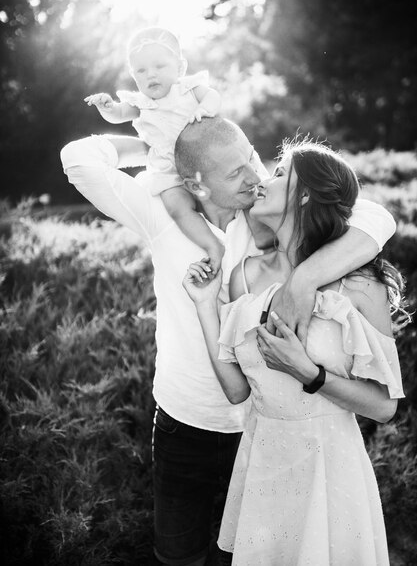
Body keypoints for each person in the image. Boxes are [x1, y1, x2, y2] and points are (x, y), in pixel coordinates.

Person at [60, 118, 396, 566]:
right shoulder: (160, 215)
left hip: (263, 432)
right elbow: (78, 160)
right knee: (180, 555)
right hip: (188, 420)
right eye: (236, 171)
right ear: (195, 182)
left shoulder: (264, 222)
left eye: (253, 160)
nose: (255, 176)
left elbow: (375, 215)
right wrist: (160, 145)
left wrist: (305, 278)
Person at [183, 138, 404, 565]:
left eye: (281, 173)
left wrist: (310, 374)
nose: (267, 178)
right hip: (263, 464)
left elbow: (384, 407)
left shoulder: (358, 284)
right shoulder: (243, 277)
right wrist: (205, 305)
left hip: (331, 468)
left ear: (304, 195)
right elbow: (236, 391)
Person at [84, 26, 225, 274]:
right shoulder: (141, 103)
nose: (151, 75)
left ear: (180, 68)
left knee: (219, 198)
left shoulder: (189, 88)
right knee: (177, 208)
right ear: (134, 75)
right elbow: (117, 115)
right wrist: (106, 106)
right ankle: (212, 246)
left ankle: (230, 233)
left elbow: (213, 96)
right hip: (169, 171)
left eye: (160, 66)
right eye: (142, 70)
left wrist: (205, 109)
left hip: (204, 160)